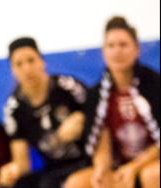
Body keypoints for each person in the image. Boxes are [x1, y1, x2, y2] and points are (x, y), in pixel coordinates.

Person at [64, 17, 160, 188]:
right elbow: (101, 138)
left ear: (136, 49)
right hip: (120, 165)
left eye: (123, 45)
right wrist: (102, 168)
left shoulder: (154, 84)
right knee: (77, 183)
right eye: (111, 46)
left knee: (152, 175)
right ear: (103, 51)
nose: (117, 51)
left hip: (152, 161)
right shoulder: (97, 94)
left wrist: (134, 167)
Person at [0, 37, 89, 188]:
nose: (27, 69)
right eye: (19, 64)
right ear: (13, 70)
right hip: (53, 171)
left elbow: (99, 116)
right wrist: (10, 171)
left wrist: (83, 118)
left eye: (31, 60)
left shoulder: (67, 86)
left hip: (87, 161)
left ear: (42, 61)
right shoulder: (13, 108)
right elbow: (22, 163)